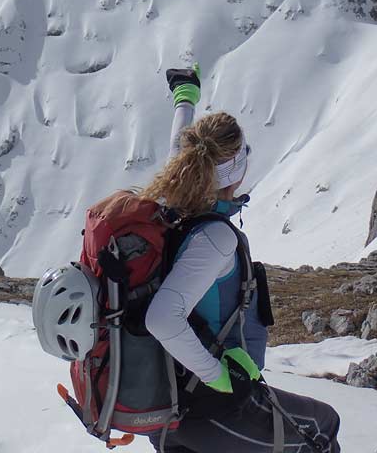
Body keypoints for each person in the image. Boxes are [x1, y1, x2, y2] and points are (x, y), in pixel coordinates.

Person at [142, 66, 341, 453]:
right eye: (243, 154)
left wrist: (185, 97)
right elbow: (161, 318)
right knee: (322, 425)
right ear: (233, 170)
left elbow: (179, 149)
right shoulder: (214, 238)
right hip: (210, 407)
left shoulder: (168, 207)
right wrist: (216, 375)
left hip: (167, 405)